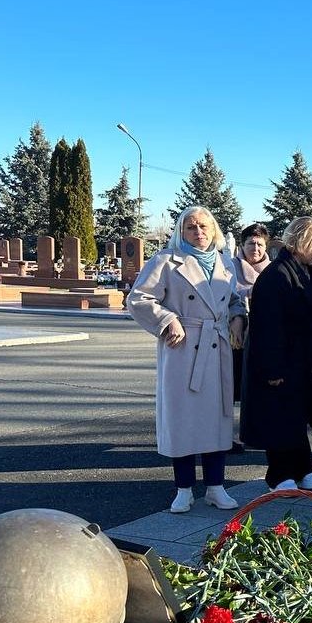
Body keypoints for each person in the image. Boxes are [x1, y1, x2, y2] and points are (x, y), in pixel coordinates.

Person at [129, 206, 246, 514]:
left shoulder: (225, 263)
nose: (199, 232)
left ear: (214, 229)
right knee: (182, 419)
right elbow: (139, 298)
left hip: (216, 346)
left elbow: (233, 298)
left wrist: (238, 316)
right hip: (182, 348)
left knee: (217, 420)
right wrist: (167, 319)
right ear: (181, 231)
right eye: (191, 227)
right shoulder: (166, 261)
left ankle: (215, 487)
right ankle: (183, 488)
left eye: (204, 226)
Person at [240, 217, 312, 491]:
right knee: (278, 417)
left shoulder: (307, 270)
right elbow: (266, 327)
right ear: (302, 242)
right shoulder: (276, 275)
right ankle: (279, 475)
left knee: (297, 415)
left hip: (300, 358)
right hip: (278, 359)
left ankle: (304, 469)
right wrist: (273, 369)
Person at [228, 222, 271, 453]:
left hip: (261, 338)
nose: (255, 248)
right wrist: (238, 315)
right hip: (233, 337)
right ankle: (227, 435)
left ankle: (256, 433)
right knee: (230, 388)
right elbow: (225, 295)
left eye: (259, 244)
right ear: (242, 245)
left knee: (256, 389)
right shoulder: (228, 268)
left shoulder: (272, 270)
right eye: (250, 243)